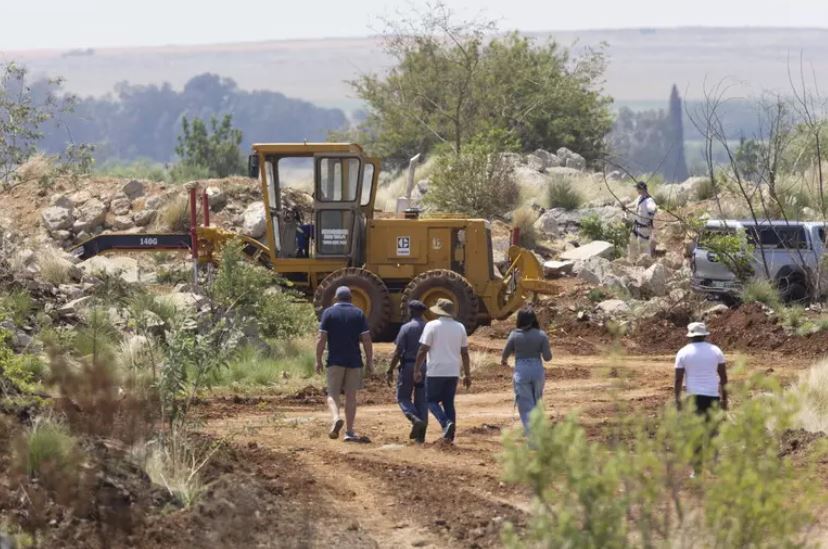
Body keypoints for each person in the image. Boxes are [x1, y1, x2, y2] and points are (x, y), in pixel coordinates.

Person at [316, 286, 374, 442]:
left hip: (335, 360)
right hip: (354, 361)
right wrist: (369, 361)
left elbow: (321, 339)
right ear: (351, 299)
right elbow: (366, 339)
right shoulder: (359, 313)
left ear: (335, 298)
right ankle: (349, 431)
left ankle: (336, 418)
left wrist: (318, 360)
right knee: (351, 397)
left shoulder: (328, 313)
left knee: (332, 394)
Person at [414, 298, 471, 443]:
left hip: (436, 370)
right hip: (453, 371)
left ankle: (445, 423)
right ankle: (449, 437)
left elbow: (423, 349)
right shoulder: (460, 327)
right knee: (448, 402)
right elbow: (464, 352)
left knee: (431, 401)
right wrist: (467, 374)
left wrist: (417, 369)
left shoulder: (431, 326)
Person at [501, 308, 553, 433]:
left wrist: (504, 361)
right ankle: (540, 433)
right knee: (537, 401)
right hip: (537, 370)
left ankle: (532, 436)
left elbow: (505, 354)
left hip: (521, 370)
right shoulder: (541, 335)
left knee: (525, 405)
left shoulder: (514, 335)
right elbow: (547, 357)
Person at [386, 300, 429, 443]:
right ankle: (421, 437)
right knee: (422, 401)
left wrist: (390, 369)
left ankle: (414, 418)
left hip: (409, 366)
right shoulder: (429, 327)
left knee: (403, 397)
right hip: (425, 367)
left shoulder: (406, 328)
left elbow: (398, 351)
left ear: (411, 311)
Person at [674, 322, 728, 415]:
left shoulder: (682, 353)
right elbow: (723, 378)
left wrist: (678, 400)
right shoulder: (716, 351)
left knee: (695, 424)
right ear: (704, 335)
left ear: (690, 336)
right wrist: (724, 400)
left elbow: (678, 379)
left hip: (692, 398)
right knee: (712, 424)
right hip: (712, 396)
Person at [627, 181, 657, 260]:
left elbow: (653, 209)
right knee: (632, 241)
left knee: (643, 245)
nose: (636, 190)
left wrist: (650, 218)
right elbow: (634, 204)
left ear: (641, 189)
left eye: (637, 189)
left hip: (644, 227)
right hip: (636, 225)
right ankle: (632, 259)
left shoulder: (649, 200)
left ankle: (647, 261)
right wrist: (626, 207)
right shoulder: (639, 198)